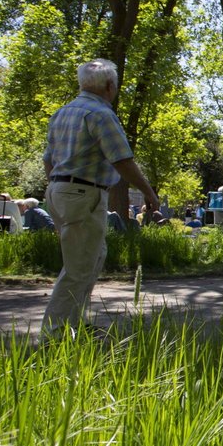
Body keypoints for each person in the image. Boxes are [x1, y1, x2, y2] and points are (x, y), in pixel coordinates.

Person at [42, 58, 160, 338]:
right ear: (109, 86)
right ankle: (55, 332)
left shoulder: (62, 113)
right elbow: (122, 159)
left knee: (93, 256)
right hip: (84, 192)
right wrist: (148, 190)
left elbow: (48, 159)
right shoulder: (100, 114)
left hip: (59, 190)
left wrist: (59, 188)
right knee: (79, 266)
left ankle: (73, 321)